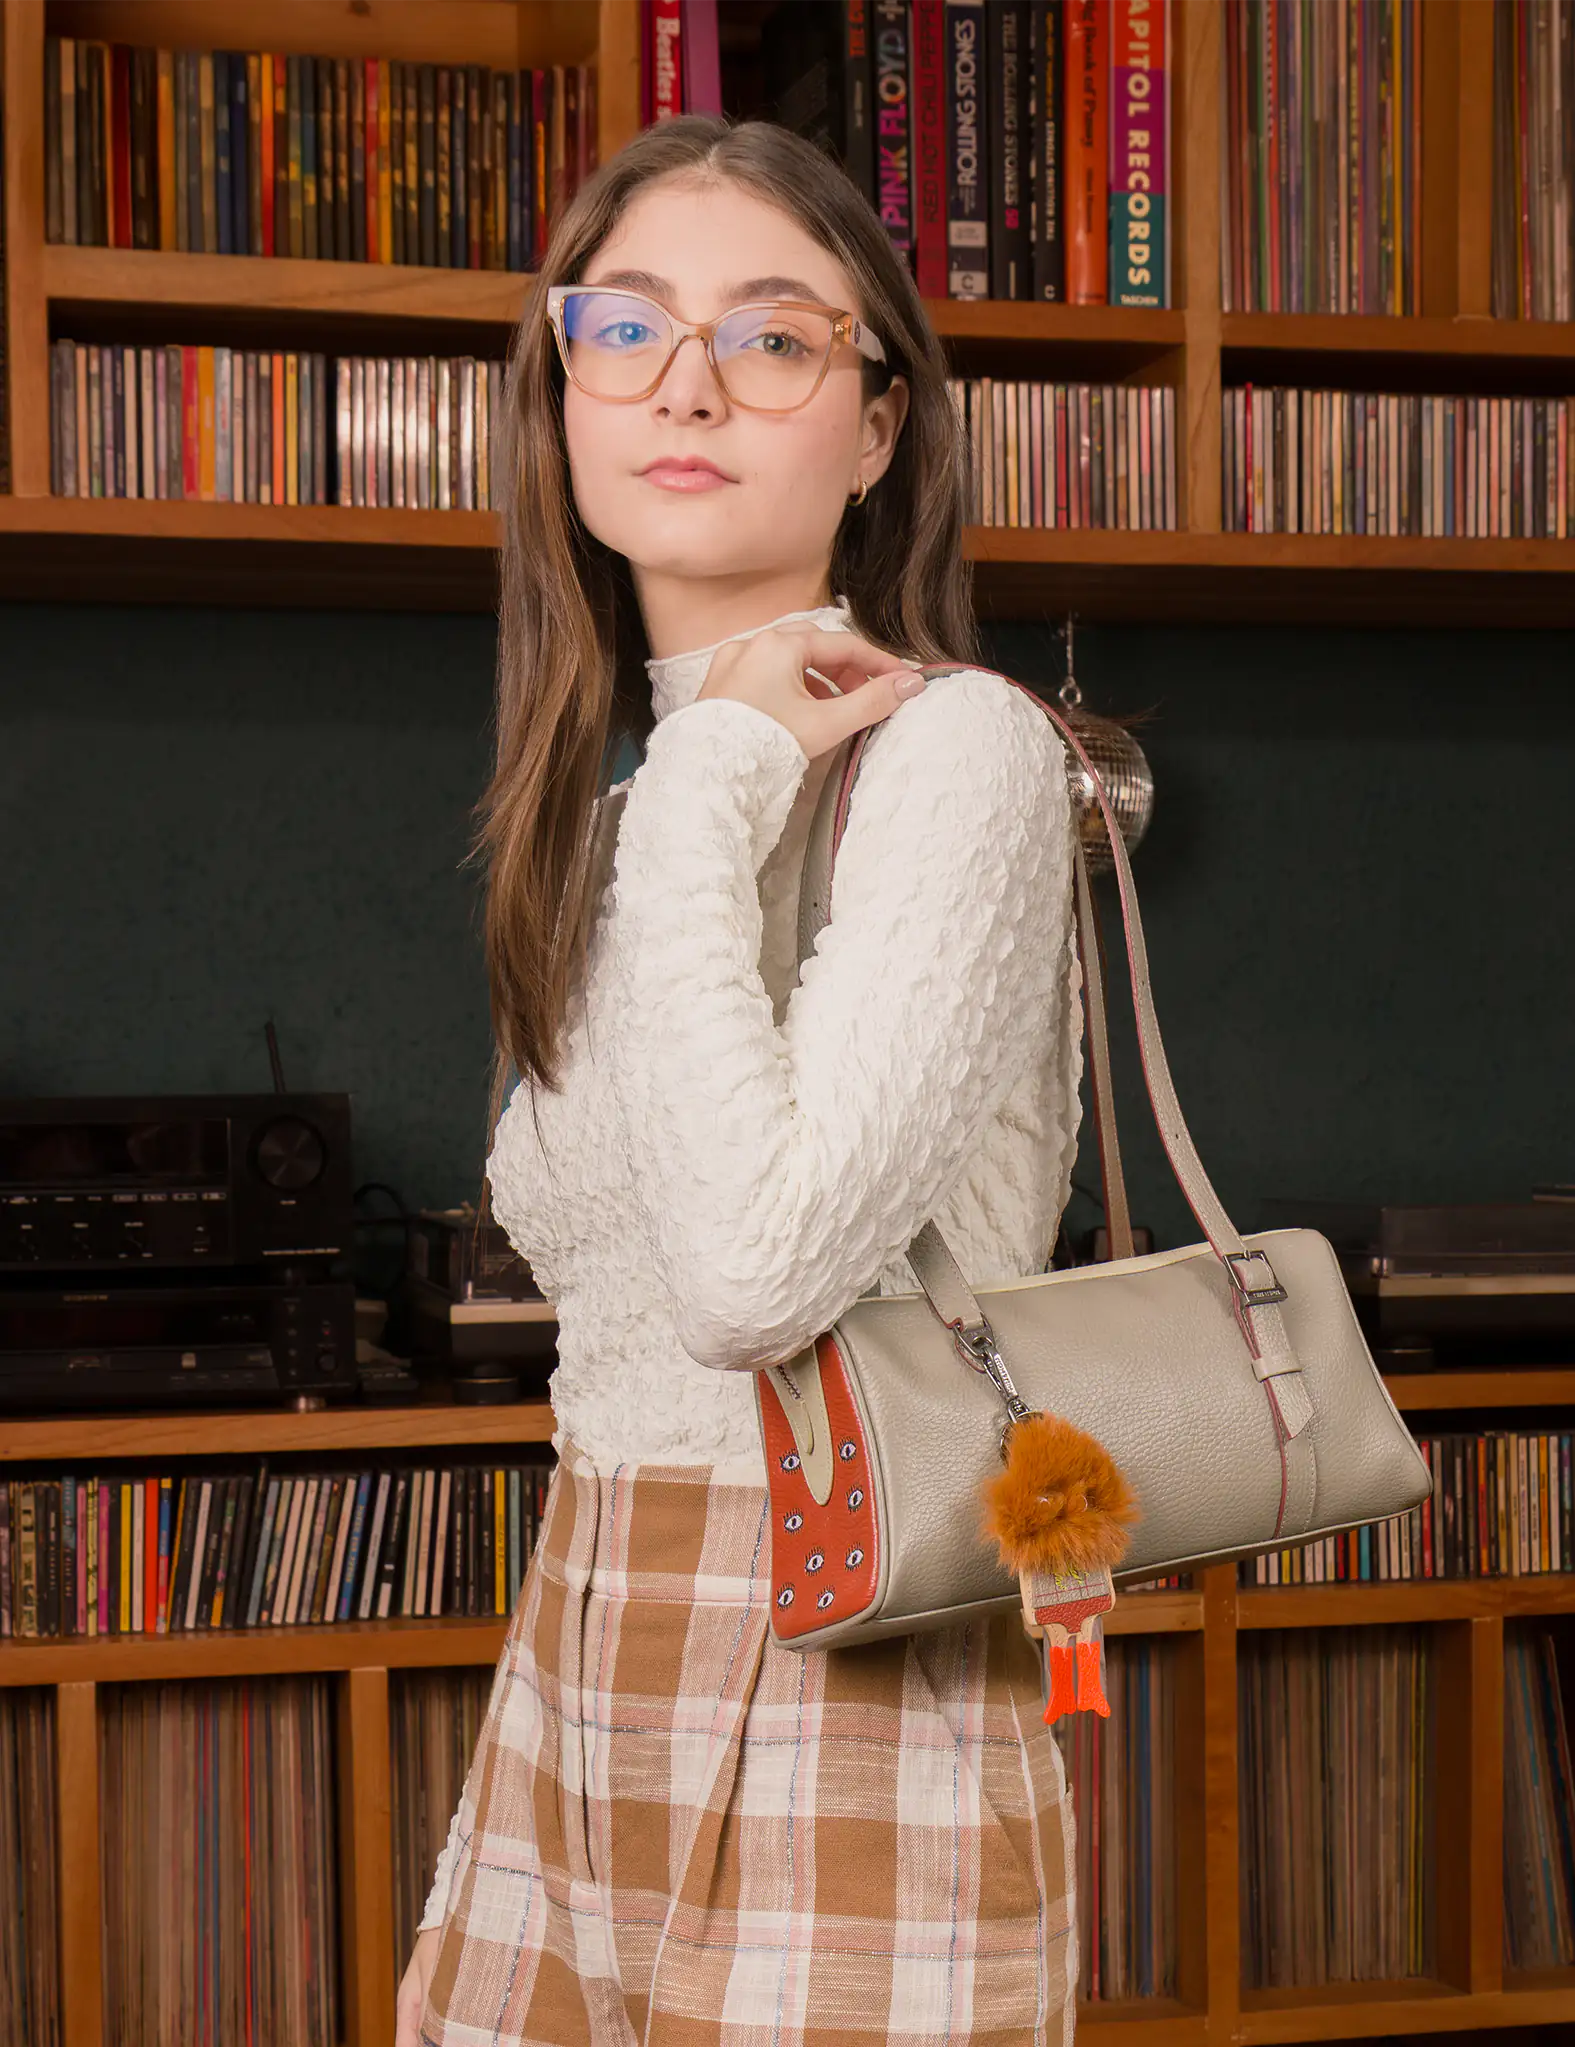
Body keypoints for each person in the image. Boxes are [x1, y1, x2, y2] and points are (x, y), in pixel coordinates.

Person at [398, 112, 1087, 2047]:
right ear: (563, 389)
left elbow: (752, 1280)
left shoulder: (953, 752)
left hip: (845, 1659)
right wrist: (687, 790)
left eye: (773, 336)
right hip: (595, 1634)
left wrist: (707, 787)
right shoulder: (629, 804)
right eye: (625, 326)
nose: (683, 382)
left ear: (875, 424)